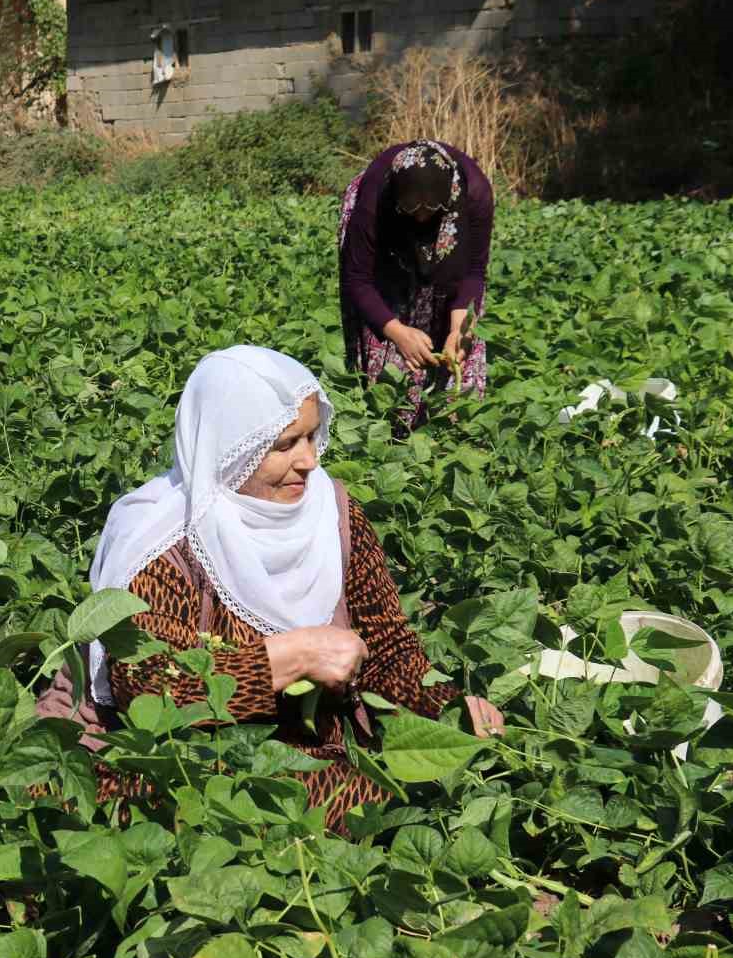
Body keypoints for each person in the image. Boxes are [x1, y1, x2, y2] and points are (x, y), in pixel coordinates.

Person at [89, 347, 503, 833]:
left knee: (384, 801)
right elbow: (149, 689)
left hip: (307, 750)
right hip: (193, 755)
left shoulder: (332, 513)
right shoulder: (162, 541)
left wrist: (450, 709)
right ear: (231, 447)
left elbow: (388, 651)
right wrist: (290, 658)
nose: (308, 461)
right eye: (284, 444)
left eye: (311, 437)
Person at [338, 139, 494, 431]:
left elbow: (474, 270)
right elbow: (357, 279)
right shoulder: (375, 200)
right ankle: (394, 429)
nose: (422, 219)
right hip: (387, 248)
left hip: (453, 235)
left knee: (461, 347)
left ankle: (450, 428)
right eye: (413, 211)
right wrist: (396, 331)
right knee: (390, 355)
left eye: (431, 211)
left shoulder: (474, 193)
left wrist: (461, 324)